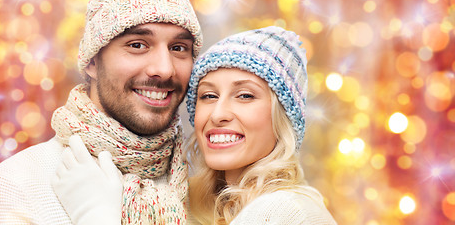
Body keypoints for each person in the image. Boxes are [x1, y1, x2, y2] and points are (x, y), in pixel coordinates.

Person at [51, 26, 337, 224]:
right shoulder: (206, 209)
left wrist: (96, 215)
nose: (218, 114)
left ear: (282, 117)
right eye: (208, 96)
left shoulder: (283, 211)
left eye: (245, 95)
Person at [0, 0, 202, 224]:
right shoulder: (17, 185)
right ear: (92, 62)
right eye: (137, 45)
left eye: (178, 48)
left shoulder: (209, 185)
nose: (164, 69)